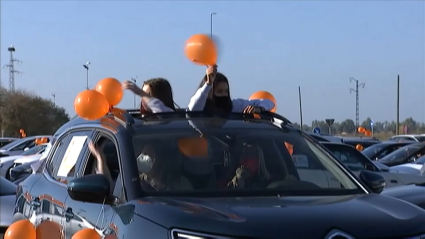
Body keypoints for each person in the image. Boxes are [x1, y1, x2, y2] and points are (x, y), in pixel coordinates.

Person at [187, 65, 275, 113]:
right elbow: (194, 107)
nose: (224, 95)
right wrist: (208, 84)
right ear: (210, 92)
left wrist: (259, 109)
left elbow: (269, 102)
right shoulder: (200, 109)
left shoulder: (233, 106)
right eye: (219, 91)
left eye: (226, 91)